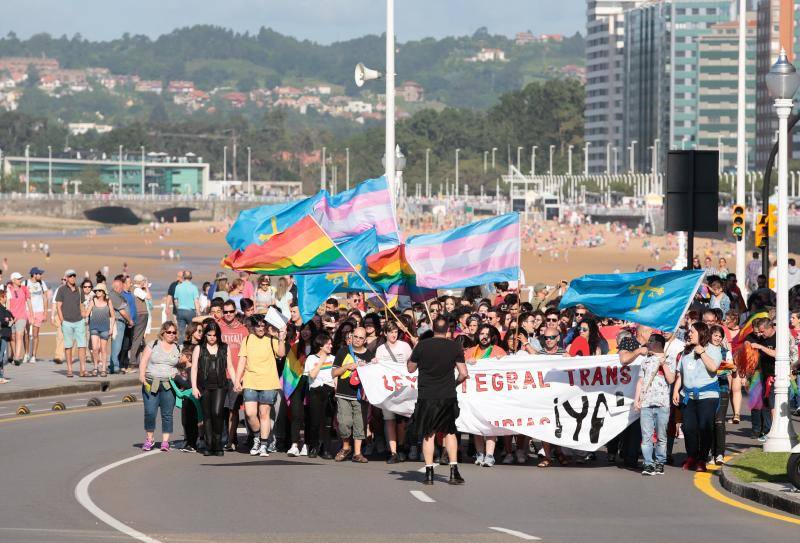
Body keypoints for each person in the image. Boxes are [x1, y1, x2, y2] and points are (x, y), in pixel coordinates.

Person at [407, 317, 469, 485]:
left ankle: (429, 473)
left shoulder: (422, 345)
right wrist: (454, 384)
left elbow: (410, 368)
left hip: (427, 396)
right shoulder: (454, 346)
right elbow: (463, 373)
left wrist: (415, 348)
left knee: (429, 434)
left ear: (433, 328)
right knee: (449, 432)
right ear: (447, 329)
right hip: (447, 395)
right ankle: (454, 471)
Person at [672, 322, 721, 472]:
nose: (689, 334)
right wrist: (676, 390)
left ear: (701, 332)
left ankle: (702, 459)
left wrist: (702, 353)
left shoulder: (713, 349)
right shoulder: (686, 352)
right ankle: (692, 456)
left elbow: (713, 368)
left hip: (708, 395)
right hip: (688, 396)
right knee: (688, 428)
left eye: (692, 331)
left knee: (705, 428)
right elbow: (681, 374)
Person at [235, 317, 285, 457]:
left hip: (268, 382)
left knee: (264, 414)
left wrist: (281, 338)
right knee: (250, 414)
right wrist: (237, 381)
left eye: (263, 326)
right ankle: (257, 437)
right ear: (253, 327)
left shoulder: (271, 339)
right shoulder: (247, 339)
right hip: (250, 380)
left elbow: (281, 354)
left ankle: (263, 444)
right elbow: (242, 361)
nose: (261, 328)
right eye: (258, 326)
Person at [633, 333, 675, 476]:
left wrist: (664, 365)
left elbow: (670, 379)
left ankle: (660, 462)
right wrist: (636, 399)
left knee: (662, 435)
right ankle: (648, 463)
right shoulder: (646, 360)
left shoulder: (668, 359)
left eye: (651, 341)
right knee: (646, 436)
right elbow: (640, 381)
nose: (648, 343)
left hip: (662, 403)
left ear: (658, 343)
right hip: (646, 403)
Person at [191, 320, 235, 456]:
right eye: (209, 335)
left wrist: (236, 382)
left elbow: (230, 366)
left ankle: (218, 443)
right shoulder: (199, 348)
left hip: (220, 385)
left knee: (217, 412)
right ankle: (209, 446)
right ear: (205, 335)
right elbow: (193, 368)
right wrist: (194, 387)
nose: (212, 338)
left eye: (214, 335)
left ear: (218, 335)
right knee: (207, 415)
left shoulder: (224, 347)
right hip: (203, 386)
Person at [332, 326, 374, 463]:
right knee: (344, 423)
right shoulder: (343, 351)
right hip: (343, 394)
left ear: (365, 340)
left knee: (359, 424)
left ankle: (357, 453)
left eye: (361, 338)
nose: (357, 340)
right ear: (351, 336)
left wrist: (375, 365)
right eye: (355, 336)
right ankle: (346, 447)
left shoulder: (369, 356)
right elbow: (334, 373)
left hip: (360, 395)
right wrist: (347, 367)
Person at [374, 321, 413, 463]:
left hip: (403, 388)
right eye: (390, 332)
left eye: (396, 332)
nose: (393, 335)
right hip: (387, 390)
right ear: (385, 333)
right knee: (389, 420)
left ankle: (401, 446)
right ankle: (393, 451)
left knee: (401, 420)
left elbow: (412, 364)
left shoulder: (405, 346)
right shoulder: (381, 349)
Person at [139, 322, 181, 452]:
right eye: (169, 332)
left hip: (168, 385)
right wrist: (141, 375)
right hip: (152, 383)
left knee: (167, 414)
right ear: (163, 332)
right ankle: (149, 439)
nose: (171, 335)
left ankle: (165, 441)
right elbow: (143, 361)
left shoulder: (178, 348)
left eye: (174, 332)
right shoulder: (154, 344)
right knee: (150, 412)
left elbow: (183, 364)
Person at [304, 332, 336, 459]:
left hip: (329, 391)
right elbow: (311, 375)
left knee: (327, 423)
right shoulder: (311, 358)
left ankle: (326, 448)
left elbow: (335, 376)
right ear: (321, 345)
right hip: (315, 391)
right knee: (315, 422)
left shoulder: (333, 358)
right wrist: (322, 360)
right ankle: (314, 446)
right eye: (328, 344)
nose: (331, 346)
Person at [56, 269, 87, 378]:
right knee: (68, 346)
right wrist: (62, 320)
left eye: (74, 276)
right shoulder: (61, 290)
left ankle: (83, 369)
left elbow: (82, 304)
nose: (72, 278)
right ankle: (69, 369)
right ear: (66, 278)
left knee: (82, 346)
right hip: (67, 322)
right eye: (70, 276)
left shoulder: (79, 289)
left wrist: (83, 314)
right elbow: (58, 306)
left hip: (79, 321)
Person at [179, 321, 204, 452]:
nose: (201, 333)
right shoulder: (185, 346)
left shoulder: (204, 346)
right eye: (198, 330)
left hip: (200, 382)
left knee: (200, 415)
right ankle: (189, 440)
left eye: (202, 331)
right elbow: (179, 363)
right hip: (187, 383)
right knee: (187, 416)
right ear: (192, 331)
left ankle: (201, 439)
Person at [87, 283, 115, 377]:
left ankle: (103, 369)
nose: (97, 292)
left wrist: (111, 328)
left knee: (103, 349)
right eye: (96, 291)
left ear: (104, 292)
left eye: (99, 291)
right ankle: (95, 367)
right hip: (94, 327)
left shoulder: (108, 302)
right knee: (95, 348)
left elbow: (113, 316)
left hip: (105, 328)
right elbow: (86, 314)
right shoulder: (93, 301)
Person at [109, 275, 133, 375]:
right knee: (117, 346)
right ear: (116, 287)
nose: (121, 288)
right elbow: (122, 312)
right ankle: (115, 367)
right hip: (118, 322)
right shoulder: (113, 295)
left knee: (116, 345)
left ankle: (112, 366)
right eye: (120, 286)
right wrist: (130, 321)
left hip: (121, 323)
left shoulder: (117, 295)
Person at [24, 267, 48, 364]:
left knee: (35, 334)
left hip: (39, 311)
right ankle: (26, 354)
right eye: (39, 274)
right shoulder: (25, 283)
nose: (41, 276)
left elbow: (45, 298)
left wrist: (45, 313)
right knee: (25, 333)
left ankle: (33, 355)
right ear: (34, 274)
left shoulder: (42, 283)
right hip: (27, 311)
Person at [7, 272, 31, 365]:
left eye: (20, 278)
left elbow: (29, 302)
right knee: (12, 337)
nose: (20, 280)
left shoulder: (24, 289)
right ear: (13, 280)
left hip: (22, 316)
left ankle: (17, 357)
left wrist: (31, 315)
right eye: (18, 279)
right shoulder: (8, 289)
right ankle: (14, 355)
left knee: (19, 335)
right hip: (10, 317)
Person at [173, 270, 201, 340]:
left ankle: (181, 346)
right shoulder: (194, 287)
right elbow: (196, 301)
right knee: (192, 331)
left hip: (181, 310)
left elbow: (175, 300)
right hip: (190, 311)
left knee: (181, 332)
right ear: (191, 277)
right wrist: (198, 312)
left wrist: (178, 309)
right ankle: (191, 346)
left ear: (183, 277)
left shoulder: (178, 287)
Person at [0, 289, 13, 384]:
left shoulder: (3, 308)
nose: (6, 298)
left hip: (3, 334)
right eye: (5, 297)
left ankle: (1, 377)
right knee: (0, 355)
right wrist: (9, 321)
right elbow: (3, 320)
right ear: (1, 297)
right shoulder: (1, 308)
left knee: (2, 355)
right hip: (2, 334)